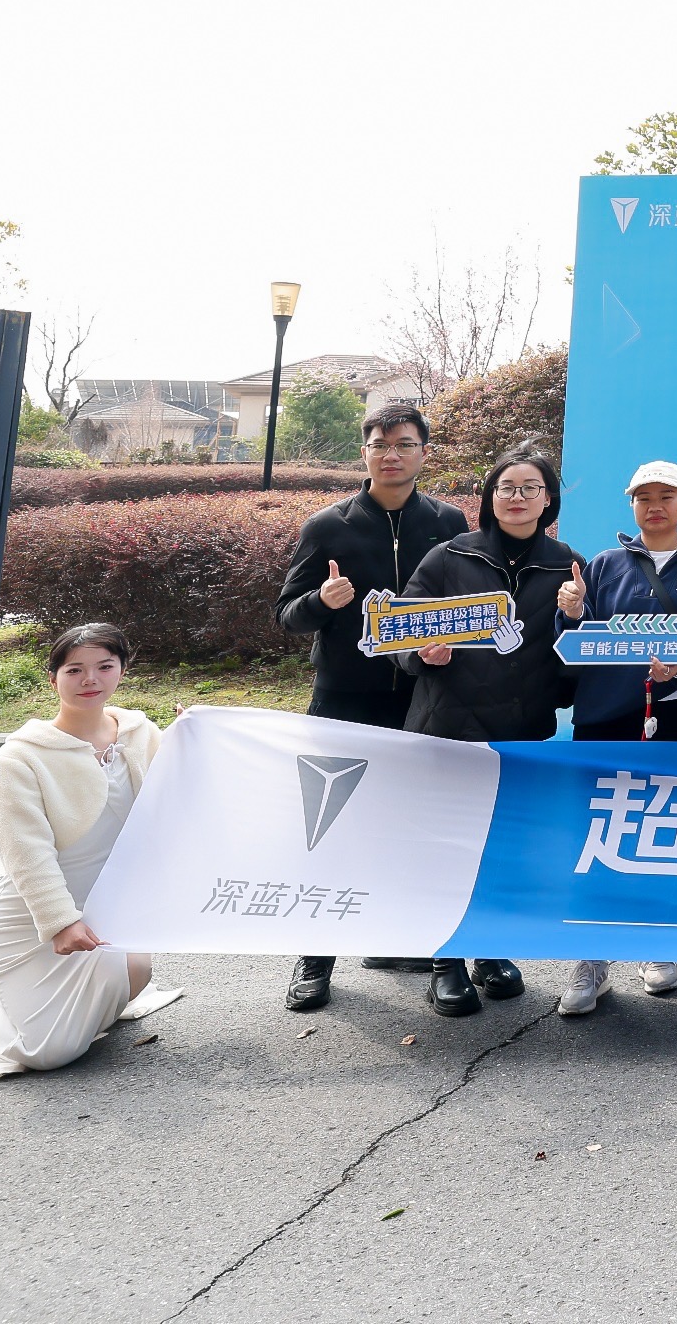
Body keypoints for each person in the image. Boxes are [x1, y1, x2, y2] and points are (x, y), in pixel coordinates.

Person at [273, 401, 469, 1014]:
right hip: (345, 698)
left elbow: (468, 605)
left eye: (404, 444)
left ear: (424, 453)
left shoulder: (449, 521)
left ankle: (429, 950)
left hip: (425, 698)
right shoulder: (328, 525)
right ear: (364, 452)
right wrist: (323, 601)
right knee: (332, 829)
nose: (392, 455)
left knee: (426, 826)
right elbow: (286, 614)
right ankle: (316, 959)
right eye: (380, 444)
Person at [0, 624, 172, 1077]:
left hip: (107, 908)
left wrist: (196, 738)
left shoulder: (142, 735)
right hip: (36, 919)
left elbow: (179, 801)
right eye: (74, 670)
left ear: (122, 671)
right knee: (45, 1054)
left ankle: (98, 988)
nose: (90, 679)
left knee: (135, 974)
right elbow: (25, 853)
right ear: (53, 678)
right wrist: (60, 921)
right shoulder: (20, 758)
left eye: (104, 667)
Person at [404, 442, 585, 1017]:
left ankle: (490, 950)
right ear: (489, 497)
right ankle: (445, 961)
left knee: (505, 844)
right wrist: (420, 653)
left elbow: (583, 654)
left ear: (548, 499)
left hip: (521, 729)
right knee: (447, 844)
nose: (517, 497)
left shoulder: (568, 566)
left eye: (531, 488)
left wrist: (576, 616)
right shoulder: (449, 556)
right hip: (448, 724)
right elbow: (401, 628)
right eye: (506, 487)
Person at [556, 458, 677, 1019]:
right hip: (603, 720)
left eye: (666, 496)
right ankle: (590, 959)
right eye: (643, 497)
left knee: (663, 830)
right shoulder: (605, 564)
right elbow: (579, 642)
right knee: (597, 833)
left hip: (674, 717)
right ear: (631, 505)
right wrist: (570, 613)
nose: (654, 506)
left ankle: (657, 942)